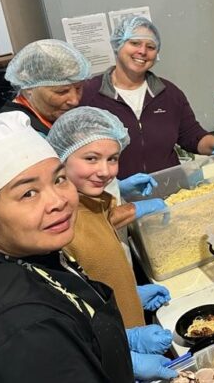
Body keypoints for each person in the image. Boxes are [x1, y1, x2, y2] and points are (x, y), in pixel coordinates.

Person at [0, 111, 173, 382]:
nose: (58, 201)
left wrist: (110, 337)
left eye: (59, 179)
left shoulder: (32, 251)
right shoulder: (21, 326)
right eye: (28, 193)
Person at [47, 107, 172, 329]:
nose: (105, 171)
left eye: (112, 159)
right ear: (61, 159)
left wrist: (128, 296)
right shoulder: (60, 222)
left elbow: (101, 271)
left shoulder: (92, 203)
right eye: (91, 158)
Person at [81, 16, 214, 179]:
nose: (142, 51)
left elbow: (191, 135)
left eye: (151, 47)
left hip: (169, 191)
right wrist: (117, 188)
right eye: (134, 43)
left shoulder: (168, 93)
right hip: (114, 201)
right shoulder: (90, 95)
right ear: (118, 45)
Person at [1, 39, 92, 134]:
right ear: (29, 87)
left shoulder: (53, 117)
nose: (75, 101)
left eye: (78, 88)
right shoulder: (16, 131)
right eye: (62, 91)